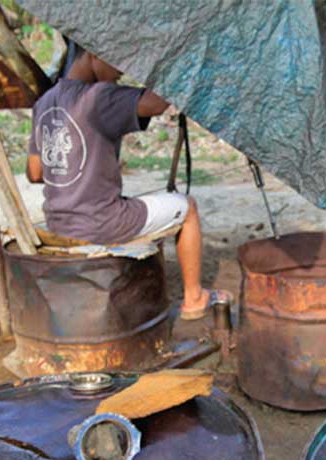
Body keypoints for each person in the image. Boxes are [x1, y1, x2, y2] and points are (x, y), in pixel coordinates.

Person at [26, 48, 211, 319]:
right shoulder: (98, 97)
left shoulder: (44, 102)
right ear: (93, 53)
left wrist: (74, 163)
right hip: (102, 223)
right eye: (118, 59)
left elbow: (35, 172)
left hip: (58, 222)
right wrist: (176, 59)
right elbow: (157, 104)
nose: (122, 71)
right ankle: (194, 298)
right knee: (188, 209)